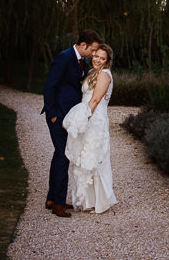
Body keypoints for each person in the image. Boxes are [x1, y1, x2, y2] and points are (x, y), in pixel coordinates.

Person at [41, 29, 102, 218]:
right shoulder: (64, 57)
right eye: (92, 50)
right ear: (83, 45)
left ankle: (52, 198)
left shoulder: (81, 61)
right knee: (63, 156)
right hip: (58, 116)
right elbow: (50, 86)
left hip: (70, 118)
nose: (94, 54)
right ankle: (58, 203)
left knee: (59, 155)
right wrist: (52, 115)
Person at [62, 43, 117, 214]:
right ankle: (88, 200)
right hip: (88, 116)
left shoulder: (104, 76)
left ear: (107, 61)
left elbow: (94, 100)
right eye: (96, 56)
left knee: (95, 158)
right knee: (84, 158)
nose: (98, 60)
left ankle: (101, 201)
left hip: (94, 119)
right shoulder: (93, 73)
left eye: (102, 58)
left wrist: (82, 119)